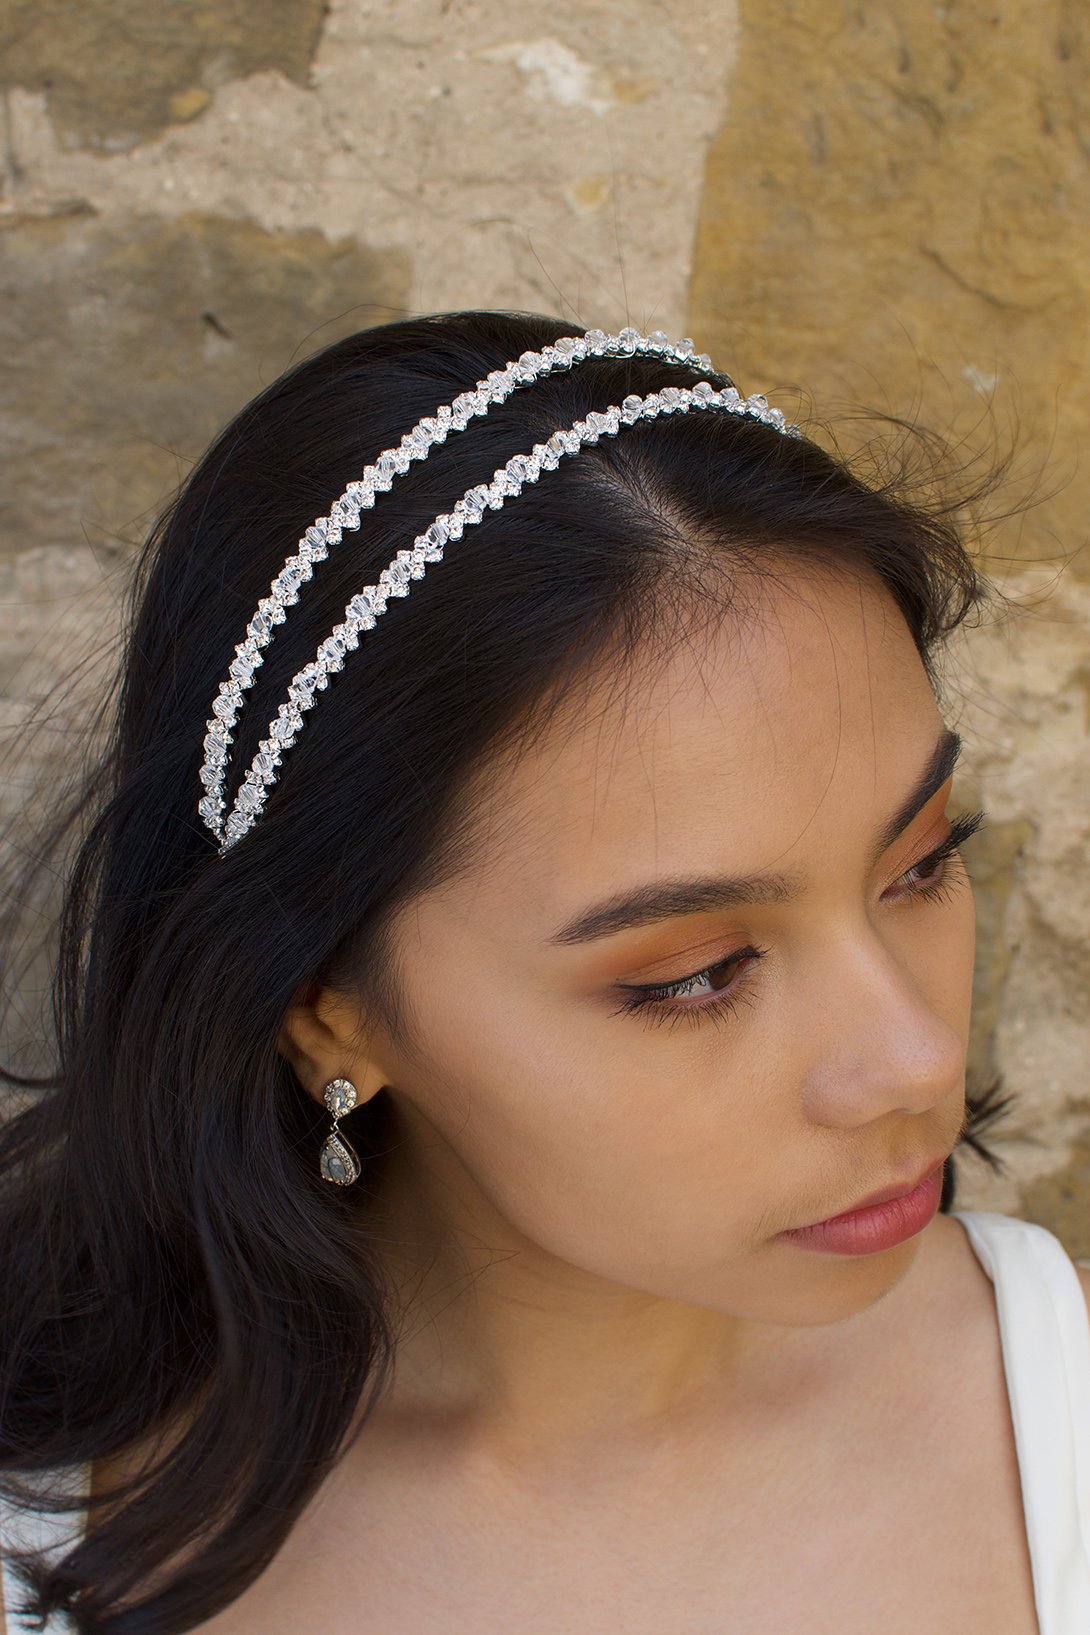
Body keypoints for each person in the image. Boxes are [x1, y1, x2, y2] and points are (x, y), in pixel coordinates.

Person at [0, 312, 1086, 1634]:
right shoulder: (56, 1536)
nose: (911, 1058)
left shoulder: (1055, 1423)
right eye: (695, 974)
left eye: (919, 864)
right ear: (327, 1012)